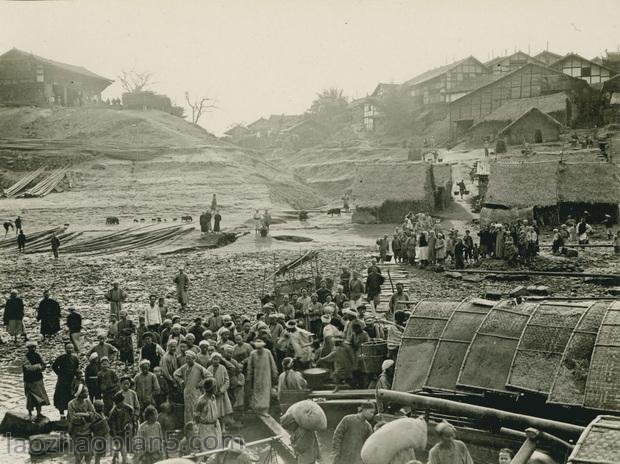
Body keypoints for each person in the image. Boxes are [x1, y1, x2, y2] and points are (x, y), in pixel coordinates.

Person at [174, 350, 212, 424]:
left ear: (193, 359)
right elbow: (175, 374)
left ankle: (196, 424)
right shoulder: (184, 367)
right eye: (186, 358)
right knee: (188, 409)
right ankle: (188, 425)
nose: (187, 360)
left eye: (189, 359)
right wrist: (180, 381)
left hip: (196, 391)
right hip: (187, 391)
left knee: (196, 407)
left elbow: (209, 375)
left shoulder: (199, 367)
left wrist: (201, 383)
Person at [246, 339, 278, 416]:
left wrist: (274, 373)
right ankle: (257, 408)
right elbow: (249, 366)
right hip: (257, 376)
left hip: (266, 375)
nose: (259, 350)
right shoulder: (253, 354)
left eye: (260, 348)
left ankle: (265, 410)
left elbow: (272, 363)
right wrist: (249, 375)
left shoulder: (268, 352)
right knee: (257, 391)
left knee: (266, 391)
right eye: (257, 348)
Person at [67, 385, 95, 464]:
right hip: (77, 433)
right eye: (86, 392)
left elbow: (93, 415)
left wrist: (81, 414)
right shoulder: (71, 404)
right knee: (78, 457)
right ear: (80, 393)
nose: (88, 393)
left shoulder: (87, 401)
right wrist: (87, 416)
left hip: (88, 432)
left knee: (89, 455)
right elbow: (73, 419)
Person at [52, 343, 80, 419]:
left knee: (70, 396)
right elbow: (54, 366)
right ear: (65, 349)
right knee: (61, 396)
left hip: (71, 381)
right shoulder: (61, 358)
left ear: (73, 349)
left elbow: (77, 368)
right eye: (68, 348)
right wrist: (59, 374)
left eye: (71, 348)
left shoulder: (75, 358)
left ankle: (69, 413)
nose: (70, 349)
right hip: (62, 381)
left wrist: (76, 377)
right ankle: (61, 414)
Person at [23, 341, 50, 420]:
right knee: (30, 398)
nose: (33, 349)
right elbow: (27, 368)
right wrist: (38, 367)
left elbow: (43, 365)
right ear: (28, 348)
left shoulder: (37, 355)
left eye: (34, 347)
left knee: (39, 397)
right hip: (30, 380)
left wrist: (39, 368)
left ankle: (38, 413)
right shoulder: (26, 357)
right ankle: (30, 413)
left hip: (36, 379)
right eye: (31, 347)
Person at [194, 378, 222, 451]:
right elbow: (196, 416)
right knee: (208, 449)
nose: (216, 388)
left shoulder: (213, 397)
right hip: (206, 428)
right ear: (211, 388)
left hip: (215, 426)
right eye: (215, 387)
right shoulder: (202, 401)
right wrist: (197, 430)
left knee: (216, 448)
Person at [108, 391, 133, 464]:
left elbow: (131, 411)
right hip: (115, 432)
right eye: (121, 402)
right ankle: (124, 461)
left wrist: (129, 422)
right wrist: (115, 435)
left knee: (119, 446)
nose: (123, 403)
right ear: (117, 403)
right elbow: (112, 425)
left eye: (123, 402)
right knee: (122, 447)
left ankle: (114, 459)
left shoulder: (126, 408)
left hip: (123, 430)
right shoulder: (113, 412)